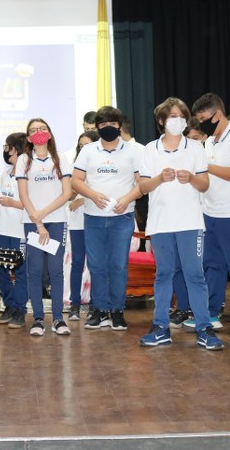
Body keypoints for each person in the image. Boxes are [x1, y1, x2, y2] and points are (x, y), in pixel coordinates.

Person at [137, 98, 223, 350]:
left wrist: (192, 178)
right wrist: (160, 178)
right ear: (161, 120)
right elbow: (142, 187)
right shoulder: (150, 149)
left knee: (194, 274)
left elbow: (204, 185)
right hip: (160, 222)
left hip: (190, 222)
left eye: (181, 116)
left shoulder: (195, 148)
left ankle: (204, 328)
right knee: (164, 274)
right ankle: (160, 327)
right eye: (172, 116)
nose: (178, 120)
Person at [73, 106, 143, 331]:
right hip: (93, 218)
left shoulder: (133, 151)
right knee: (96, 265)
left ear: (119, 126)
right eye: (103, 124)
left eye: (112, 124)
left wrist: (126, 199)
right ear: (97, 127)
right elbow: (76, 180)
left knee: (118, 266)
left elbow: (142, 183)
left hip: (122, 217)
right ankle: (100, 310)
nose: (108, 128)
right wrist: (92, 195)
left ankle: (117, 311)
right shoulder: (88, 151)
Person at [190, 93, 230, 338]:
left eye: (204, 119)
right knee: (212, 265)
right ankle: (211, 313)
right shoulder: (209, 142)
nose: (202, 124)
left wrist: (207, 167)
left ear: (217, 114)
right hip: (211, 212)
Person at [16, 118, 73, 336]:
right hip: (32, 222)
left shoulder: (60, 158)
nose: (38, 132)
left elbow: (66, 193)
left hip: (56, 221)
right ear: (29, 138)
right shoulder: (24, 160)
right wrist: (38, 222)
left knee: (56, 270)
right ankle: (38, 319)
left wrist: (44, 214)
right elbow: (23, 195)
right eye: (33, 130)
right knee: (35, 270)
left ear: (49, 133)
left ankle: (58, 318)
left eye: (42, 128)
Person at [0, 132, 28, 328]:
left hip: (20, 230)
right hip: (3, 229)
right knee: (0, 268)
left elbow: (32, 203)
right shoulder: (5, 171)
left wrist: (12, 203)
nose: (5, 150)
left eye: (8, 146)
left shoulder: (28, 172)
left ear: (17, 149)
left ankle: (20, 309)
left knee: (20, 270)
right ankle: (10, 305)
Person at [67, 130, 99, 320]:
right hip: (77, 222)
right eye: (80, 146)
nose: (83, 148)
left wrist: (83, 199)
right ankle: (75, 304)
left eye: (87, 145)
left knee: (95, 264)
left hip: (95, 219)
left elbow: (105, 192)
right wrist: (74, 193)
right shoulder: (74, 167)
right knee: (77, 263)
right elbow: (68, 195)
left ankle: (95, 304)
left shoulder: (99, 165)